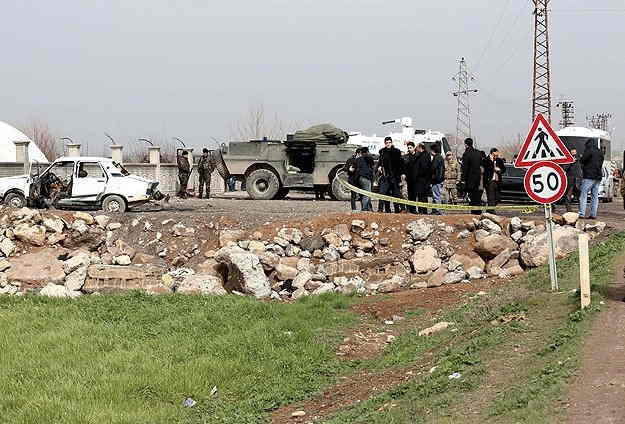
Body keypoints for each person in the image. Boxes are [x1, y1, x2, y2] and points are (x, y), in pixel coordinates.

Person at [376, 137, 404, 213]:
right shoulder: (382, 152)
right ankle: (381, 209)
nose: (388, 144)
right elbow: (379, 162)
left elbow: (401, 164)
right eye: (386, 143)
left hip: (395, 177)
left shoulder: (396, 151)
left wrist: (401, 175)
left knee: (396, 194)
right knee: (382, 193)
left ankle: (397, 210)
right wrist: (379, 167)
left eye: (389, 142)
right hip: (385, 177)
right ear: (385, 143)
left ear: (391, 143)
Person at [578, 138, 604, 219]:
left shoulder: (589, 150)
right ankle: (593, 214)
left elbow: (582, 160)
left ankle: (582, 213)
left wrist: (581, 157)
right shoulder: (600, 152)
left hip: (589, 176)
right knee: (595, 196)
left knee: (583, 194)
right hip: (598, 176)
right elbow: (601, 163)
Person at [405, 142, 431, 214]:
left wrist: (418, 175)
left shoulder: (421, 156)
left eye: (411, 147)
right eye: (408, 148)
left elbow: (423, 168)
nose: (409, 149)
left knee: (421, 195)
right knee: (412, 195)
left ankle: (422, 210)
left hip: (419, 179)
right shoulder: (407, 157)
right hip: (411, 179)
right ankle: (413, 210)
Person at [460, 138, 483, 215]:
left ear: (466, 144)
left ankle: (474, 212)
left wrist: (463, 179)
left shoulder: (466, 154)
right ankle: (478, 211)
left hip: (469, 179)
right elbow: (480, 164)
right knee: (477, 196)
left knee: (472, 197)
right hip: (477, 178)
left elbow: (465, 168)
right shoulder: (478, 153)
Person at [483, 148, 506, 214]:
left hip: (497, 181)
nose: (497, 155)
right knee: (491, 198)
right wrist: (492, 164)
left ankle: (489, 209)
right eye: (496, 153)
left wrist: (500, 170)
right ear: (492, 153)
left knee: (497, 198)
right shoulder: (486, 160)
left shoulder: (499, 160)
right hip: (490, 181)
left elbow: (504, 169)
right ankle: (491, 211)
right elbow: (485, 170)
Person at [355, 146, 374, 211]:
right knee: (367, 194)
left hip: (360, 178)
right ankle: (364, 209)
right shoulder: (369, 157)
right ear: (367, 151)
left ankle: (369, 208)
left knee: (363, 194)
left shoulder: (358, 159)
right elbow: (372, 165)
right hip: (366, 178)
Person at [430, 143, 445, 215]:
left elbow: (433, 168)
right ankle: (435, 210)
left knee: (436, 196)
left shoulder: (436, 158)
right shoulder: (440, 157)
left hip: (436, 180)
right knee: (435, 195)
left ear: (433, 150)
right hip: (439, 179)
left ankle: (438, 211)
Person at [345, 148, 360, 212]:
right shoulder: (350, 160)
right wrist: (349, 169)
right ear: (357, 153)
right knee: (353, 195)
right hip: (352, 179)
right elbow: (346, 168)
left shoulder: (362, 160)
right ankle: (354, 209)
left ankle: (364, 209)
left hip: (360, 179)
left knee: (362, 195)